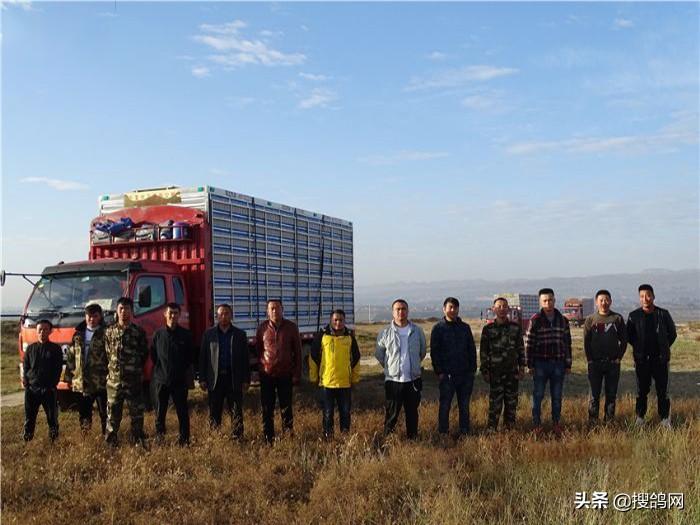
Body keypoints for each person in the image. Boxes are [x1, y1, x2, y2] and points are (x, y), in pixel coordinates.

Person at [375, 299, 426, 440]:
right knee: (391, 414)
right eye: (397, 309)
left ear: (407, 311)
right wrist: (390, 368)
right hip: (393, 381)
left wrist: (414, 365)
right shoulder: (385, 332)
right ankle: (387, 441)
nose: (401, 312)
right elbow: (379, 354)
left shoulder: (417, 331)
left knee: (412, 414)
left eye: (403, 309)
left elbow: (422, 352)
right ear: (393, 312)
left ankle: (412, 441)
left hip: (413, 380)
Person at [627, 284, 677, 429]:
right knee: (641, 391)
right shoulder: (633, 316)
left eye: (648, 295)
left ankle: (665, 420)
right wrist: (639, 349)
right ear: (639, 298)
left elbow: (672, 334)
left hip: (660, 360)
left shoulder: (663, 314)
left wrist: (663, 348)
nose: (645, 298)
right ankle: (640, 418)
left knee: (663, 391)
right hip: (642, 360)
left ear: (653, 296)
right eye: (642, 296)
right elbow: (629, 336)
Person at [525, 288, 572, 438]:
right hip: (540, 364)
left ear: (554, 300)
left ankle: (556, 423)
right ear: (540, 302)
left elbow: (567, 343)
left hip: (558, 363)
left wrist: (568, 364)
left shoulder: (563, 320)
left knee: (557, 396)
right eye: (544, 300)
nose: (548, 303)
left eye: (550, 300)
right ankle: (536, 424)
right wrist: (529, 364)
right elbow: (529, 344)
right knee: (538, 395)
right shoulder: (535, 320)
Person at [199, 303, 250, 439]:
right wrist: (202, 378)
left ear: (231, 315)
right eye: (221, 314)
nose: (224, 316)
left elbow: (245, 359)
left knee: (236, 411)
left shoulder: (240, 335)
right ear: (217, 316)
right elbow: (203, 358)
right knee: (214, 411)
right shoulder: (209, 334)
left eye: (227, 313)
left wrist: (246, 379)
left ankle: (238, 438)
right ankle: (215, 438)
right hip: (215, 379)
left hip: (233, 378)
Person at [104, 297, 149, 446]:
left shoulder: (138, 332)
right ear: (117, 311)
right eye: (121, 309)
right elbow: (107, 353)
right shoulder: (109, 332)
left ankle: (137, 441)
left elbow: (144, 353)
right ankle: (111, 443)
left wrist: (134, 368)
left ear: (131, 311)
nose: (124, 312)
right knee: (112, 415)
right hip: (114, 382)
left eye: (127, 309)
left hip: (133, 381)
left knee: (136, 414)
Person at [309, 309, 361, 438]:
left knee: (345, 413)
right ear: (331, 321)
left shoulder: (350, 338)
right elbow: (313, 358)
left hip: (344, 384)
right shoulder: (322, 336)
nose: (338, 323)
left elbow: (356, 359)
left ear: (344, 321)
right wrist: (314, 378)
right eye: (335, 320)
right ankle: (328, 439)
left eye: (341, 320)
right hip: (327, 384)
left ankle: (345, 438)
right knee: (328, 414)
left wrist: (354, 379)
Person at [255, 300, 302, 443]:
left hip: (285, 374)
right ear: (267, 311)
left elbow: (298, 352)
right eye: (272, 308)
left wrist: (296, 374)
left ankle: (288, 437)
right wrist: (261, 368)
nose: (275, 311)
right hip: (267, 375)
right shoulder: (262, 328)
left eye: (277, 308)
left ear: (283, 309)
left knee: (286, 408)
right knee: (267, 408)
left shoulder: (291, 327)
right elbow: (259, 350)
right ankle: (268, 438)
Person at [430, 297, 477, 437]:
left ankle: (464, 432)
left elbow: (471, 349)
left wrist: (472, 370)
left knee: (464, 406)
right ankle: (443, 434)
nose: (453, 310)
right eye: (450, 307)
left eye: (455, 307)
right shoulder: (438, 328)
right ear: (444, 309)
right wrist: (439, 372)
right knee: (445, 406)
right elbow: (434, 352)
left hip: (465, 375)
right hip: (447, 375)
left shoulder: (465, 328)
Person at [151, 302, 196, 445]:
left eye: (176, 313)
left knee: (182, 412)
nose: (173, 316)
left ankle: (184, 440)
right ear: (165, 314)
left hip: (179, 381)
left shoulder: (186, 335)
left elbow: (190, 357)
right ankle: (160, 438)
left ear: (179, 315)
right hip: (161, 380)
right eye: (170, 313)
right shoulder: (158, 334)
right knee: (160, 412)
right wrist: (162, 371)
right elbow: (154, 356)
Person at [480, 297, 526, 432]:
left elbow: (520, 348)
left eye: (504, 306)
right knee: (495, 404)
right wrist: (485, 370)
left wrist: (522, 367)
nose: (502, 309)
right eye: (499, 306)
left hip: (512, 373)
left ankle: (509, 431)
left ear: (508, 309)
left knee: (511, 403)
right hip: (495, 373)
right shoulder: (488, 329)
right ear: (493, 309)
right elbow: (483, 352)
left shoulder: (515, 328)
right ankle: (491, 430)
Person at [583, 290, 627, 424]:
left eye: (606, 299)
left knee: (611, 395)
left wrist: (618, 358)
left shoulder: (617, 319)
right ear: (596, 302)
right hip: (595, 364)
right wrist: (590, 360)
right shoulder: (590, 320)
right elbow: (586, 342)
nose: (604, 302)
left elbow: (624, 341)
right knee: (594, 396)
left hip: (612, 364)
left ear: (611, 301)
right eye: (601, 300)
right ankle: (593, 423)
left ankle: (609, 423)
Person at [65, 303, 108, 434]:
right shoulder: (78, 335)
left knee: (105, 413)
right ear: (85, 316)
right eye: (89, 316)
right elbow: (71, 357)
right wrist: (68, 377)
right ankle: (86, 438)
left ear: (100, 317)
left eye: (95, 316)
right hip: (83, 382)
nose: (92, 319)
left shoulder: (106, 333)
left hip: (101, 382)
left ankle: (108, 438)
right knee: (84, 414)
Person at [22, 319, 63, 442]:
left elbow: (58, 368)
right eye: (40, 330)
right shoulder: (30, 348)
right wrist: (26, 381)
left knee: (52, 418)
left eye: (45, 329)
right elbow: (26, 366)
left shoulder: (55, 349)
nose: (42, 332)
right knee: (29, 418)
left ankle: (54, 442)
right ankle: (27, 441)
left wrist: (53, 384)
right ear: (36, 331)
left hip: (48, 389)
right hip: (32, 389)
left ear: (50, 331)